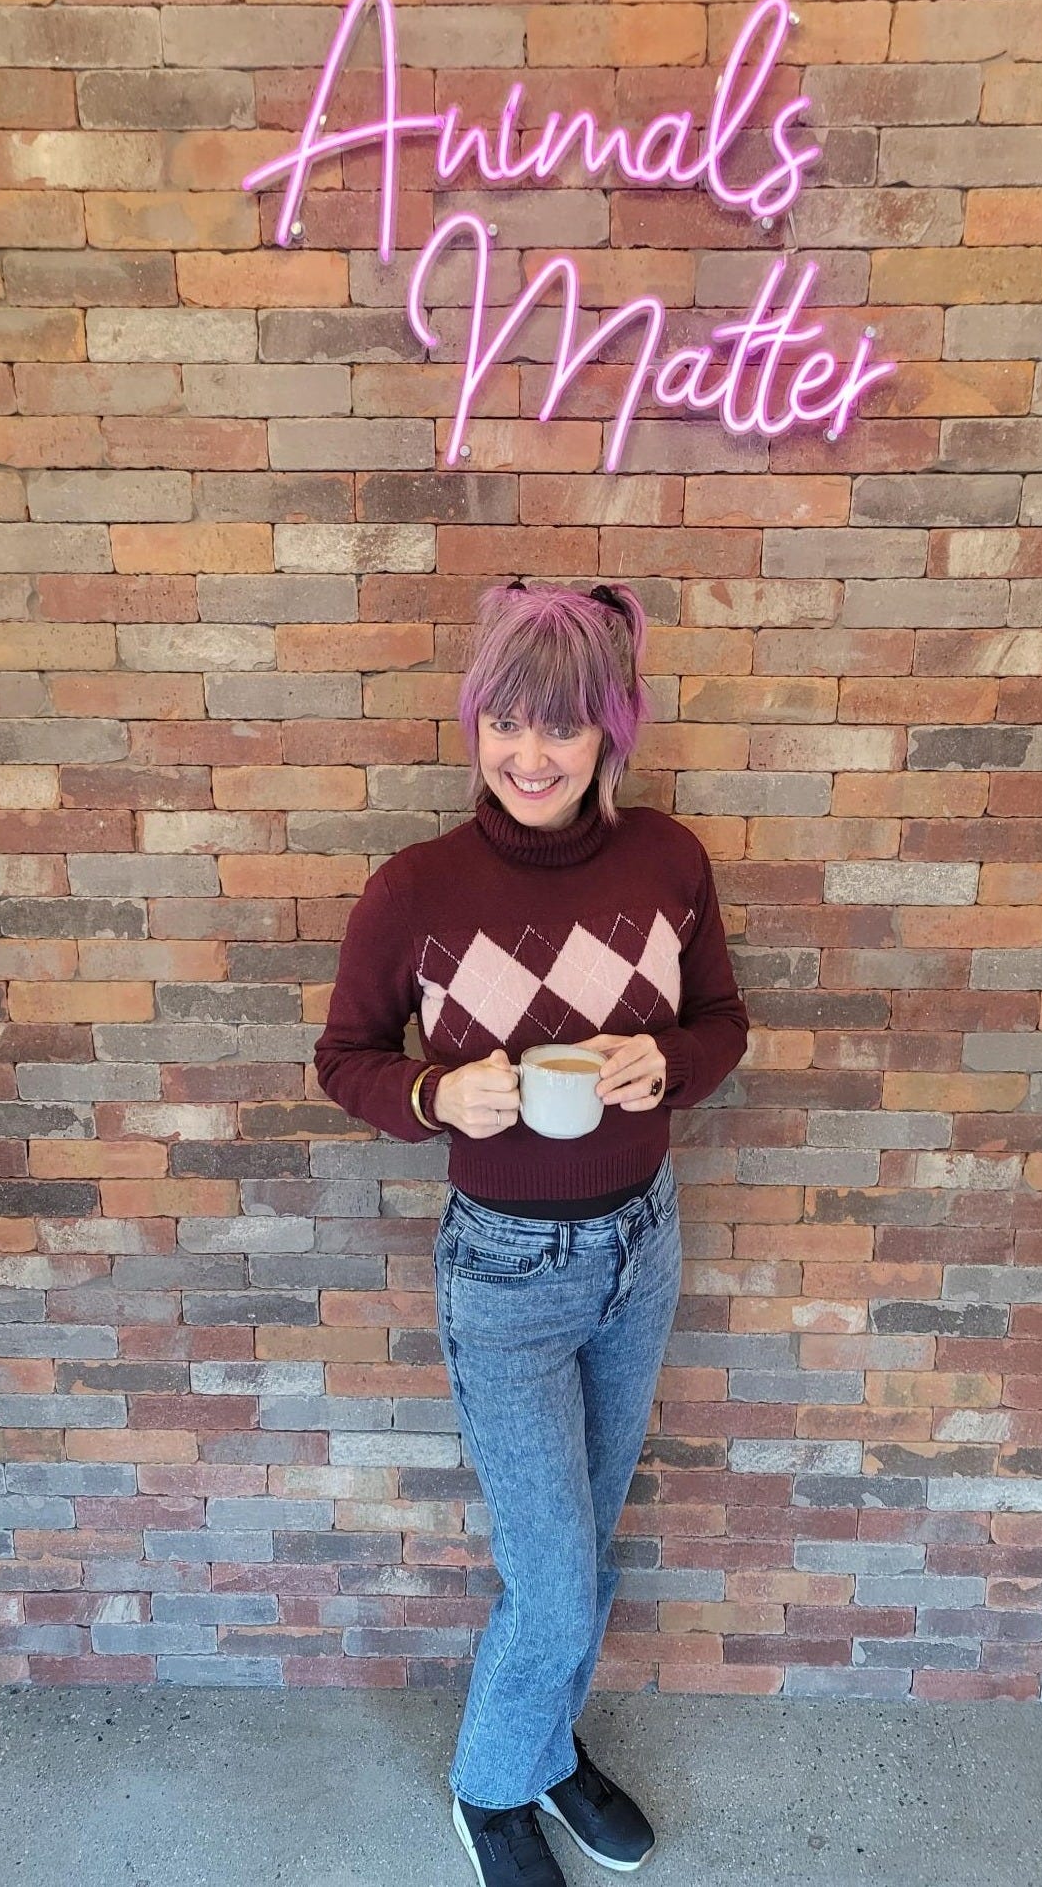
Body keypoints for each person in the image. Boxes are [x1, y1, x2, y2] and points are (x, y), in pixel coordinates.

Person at [314, 579, 750, 1886]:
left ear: (612, 729)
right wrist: (437, 1092)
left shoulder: (668, 861)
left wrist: (660, 1066)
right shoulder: (417, 888)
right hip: (502, 1268)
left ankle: (545, 1746)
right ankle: (492, 1784)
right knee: (554, 1577)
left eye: (562, 724)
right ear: (475, 722)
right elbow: (342, 1058)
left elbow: (723, 1023)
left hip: (641, 1247)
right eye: (506, 717)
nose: (530, 751)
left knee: (589, 1543)